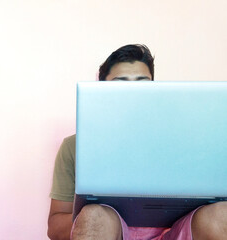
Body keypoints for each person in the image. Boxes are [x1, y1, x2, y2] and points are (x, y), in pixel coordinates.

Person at [47, 44, 227, 240]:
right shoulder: (75, 146)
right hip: (111, 232)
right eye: (120, 83)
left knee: (222, 214)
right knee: (94, 216)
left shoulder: (188, 141)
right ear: (101, 88)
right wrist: (86, 218)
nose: (132, 92)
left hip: (177, 233)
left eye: (142, 83)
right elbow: (55, 228)